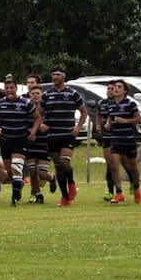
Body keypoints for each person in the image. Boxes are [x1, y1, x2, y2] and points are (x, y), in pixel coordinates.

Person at [42, 66, 88, 206]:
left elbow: (84, 112)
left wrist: (78, 127)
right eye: (53, 74)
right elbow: (38, 113)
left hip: (67, 133)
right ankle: (64, 197)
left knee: (64, 162)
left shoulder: (73, 93)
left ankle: (72, 182)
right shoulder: (47, 95)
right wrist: (41, 124)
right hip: (52, 135)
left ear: (63, 77)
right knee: (58, 167)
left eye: (58, 74)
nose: (55, 77)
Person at [0, 75, 40, 206]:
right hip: (5, 140)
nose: (9, 90)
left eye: (11, 88)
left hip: (21, 140)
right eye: (7, 88)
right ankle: (18, 185)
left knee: (16, 166)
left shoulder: (25, 103)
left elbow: (37, 117)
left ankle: (15, 195)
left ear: (16, 88)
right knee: (10, 171)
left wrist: (33, 131)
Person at [102, 79, 141, 205]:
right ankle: (119, 193)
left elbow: (139, 119)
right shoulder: (110, 105)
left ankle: (136, 187)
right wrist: (108, 125)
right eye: (115, 86)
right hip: (115, 139)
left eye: (119, 87)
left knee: (133, 167)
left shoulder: (130, 104)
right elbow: (110, 118)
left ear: (124, 91)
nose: (115, 88)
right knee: (113, 166)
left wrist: (125, 121)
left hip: (128, 140)